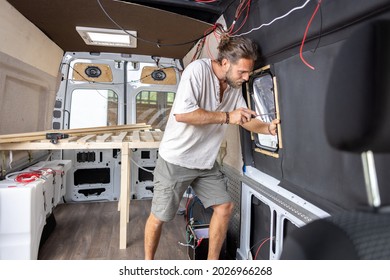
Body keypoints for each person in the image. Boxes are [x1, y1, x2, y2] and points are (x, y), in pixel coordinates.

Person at [144, 35, 280, 260]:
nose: (246, 78)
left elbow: (242, 118)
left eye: (249, 73)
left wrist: (267, 129)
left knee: (225, 207)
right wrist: (228, 116)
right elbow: (183, 114)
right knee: (159, 217)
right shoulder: (197, 71)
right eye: (242, 72)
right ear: (225, 63)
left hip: (205, 162)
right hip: (176, 160)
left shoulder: (234, 86)